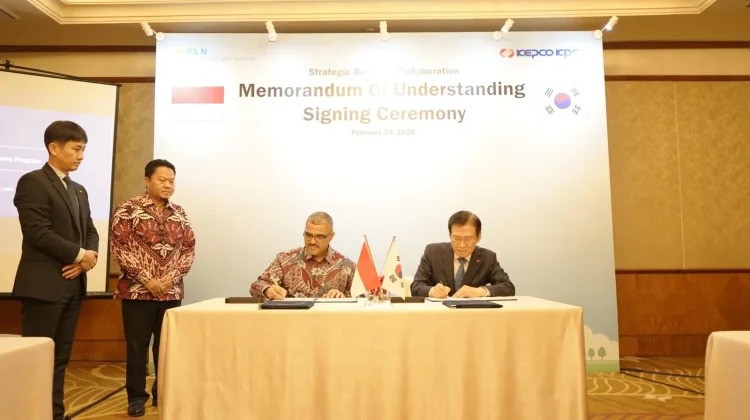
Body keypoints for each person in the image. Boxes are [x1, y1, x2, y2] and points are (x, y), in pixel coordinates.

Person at [12, 120, 100, 420]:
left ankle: (54, 414)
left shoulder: (79, 190)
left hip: (73, 287)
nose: (81, 156)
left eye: (83, 149)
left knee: (60, 359)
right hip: (43, 287)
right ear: (54, 147)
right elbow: (38, 232)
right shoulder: (33, 182)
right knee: (36, 359)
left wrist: (88, 257)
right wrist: (79, 255)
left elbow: (90, 231)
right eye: (76, 149)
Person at [110, 159, 195, 417]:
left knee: (166, 346)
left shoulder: (179, 212)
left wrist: (171, 278)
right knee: (137, 346)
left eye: (172, 181)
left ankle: (163, 392)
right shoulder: (128, 209)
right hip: (137, 292)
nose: (168, 185)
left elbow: (189, 249)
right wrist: (147, 279)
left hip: (171, 292)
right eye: (162, 180)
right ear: (147, 181)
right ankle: (136, 397)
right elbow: (119, 248)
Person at [250, 211, 355, 299]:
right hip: (291, 317)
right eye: (308, 235)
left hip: (330, 318)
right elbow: (257, 285)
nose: (312, 241)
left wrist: (343, 299)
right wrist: (268, 290)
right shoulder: (284, 260)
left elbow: (362, 299)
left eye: (319, 236)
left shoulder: (348, 266)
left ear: (331, 236)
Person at [411, 210, 514, 298]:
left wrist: (480, 291)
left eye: (468, 239)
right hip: (439, 313)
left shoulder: (487, 258)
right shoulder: (433, 252)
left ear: (478, 237)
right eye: (456, 238)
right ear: (450, 235)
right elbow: (416, 286)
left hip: (472, 313)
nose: (462, 245)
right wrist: (432, 291)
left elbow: (508, 287)